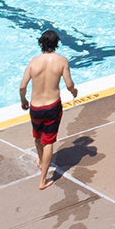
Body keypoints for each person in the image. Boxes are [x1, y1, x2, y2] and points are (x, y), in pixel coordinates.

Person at [20, 29, 78, 189]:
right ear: (57, 44)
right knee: (49, 141)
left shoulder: (33, 62)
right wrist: (74, 92)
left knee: (38, 137)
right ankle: (43, 180)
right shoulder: (61, 61)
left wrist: (23, 100)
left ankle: (40, 161)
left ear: (41, 43)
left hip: (36, 106)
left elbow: (22, 86)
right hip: (52, 106)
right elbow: (69, 84)